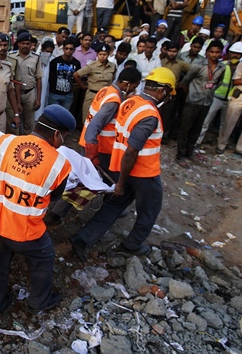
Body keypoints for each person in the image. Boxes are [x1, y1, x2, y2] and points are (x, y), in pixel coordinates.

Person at [0, 105, 74, 319]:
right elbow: (52, 199)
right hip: (25, 231)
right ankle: (39, 301)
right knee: (44, 257)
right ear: (57, 134)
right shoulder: (60, 165)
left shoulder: (4, 142)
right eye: (64, 136)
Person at [70, 67, 176, 259]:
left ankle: (83, 239)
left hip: (121, 168)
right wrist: (121, 182)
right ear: (162, 91)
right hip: (143, 174)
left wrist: (121, 179)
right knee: (150, 209)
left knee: (113, 205)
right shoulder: (150, 114)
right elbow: (132, 150)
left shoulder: (131, 102)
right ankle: (132, 244)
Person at [79, 68, 142, 181]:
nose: (134, 90)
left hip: (87, 140)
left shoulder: (106, 90)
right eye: (133, 87)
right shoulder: (113, 100)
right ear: (126, 84)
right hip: (99, 147)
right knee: (101, 180)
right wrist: (92, 153)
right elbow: (95, 126)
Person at [175, 40, 225, 166]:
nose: (214, 55)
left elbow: (217, 83)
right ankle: (180, 155)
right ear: (207, 52)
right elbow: (185, 81)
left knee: (197, 129)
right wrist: (190, 94)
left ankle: (189, 152)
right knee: (185, 129)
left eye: (217, 52)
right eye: (212, 52)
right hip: (192, 101)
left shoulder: (222, 68)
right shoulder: (198, 66)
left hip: (207, 102)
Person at [196, 41, 242, 146]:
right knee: (205, 121)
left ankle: (221, 145)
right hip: (216, 97)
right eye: (233, 53)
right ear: (229, 53)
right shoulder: (222, 65)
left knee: (226, 124)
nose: (235, 56)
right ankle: (197, 141)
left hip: (232, 99)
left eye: (238, 54)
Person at [9, 33, 43, 135]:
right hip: (14, 94)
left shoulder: (36, 58)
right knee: (15, 120)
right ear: (18, 44)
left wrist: (38, 99)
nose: (25, 46)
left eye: (27, 43)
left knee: (29, 123)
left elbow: (38, 79)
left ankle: (27, 141)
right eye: (22, 43)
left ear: (31, 44)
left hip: (29, 93)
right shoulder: (11, 56)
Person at [74, 44, 115, 121]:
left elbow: (112, 78)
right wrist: (83, 86)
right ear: (97, 54)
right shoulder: (92, 66)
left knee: (100, 119)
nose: (102, 56)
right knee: (87, 118)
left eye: (104, 54)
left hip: (105, 96)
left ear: (108, 54)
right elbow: (76, 75)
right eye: (100, 54)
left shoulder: (112, 66)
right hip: (92, 94)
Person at [48, 38, 81, 111]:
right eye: (66, 48)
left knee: (64, 115)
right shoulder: (55, 61)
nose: (68, 51)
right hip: (54, 94)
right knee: (53, 114)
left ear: (74, 50)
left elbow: (77, 77)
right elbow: (50, 76)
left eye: (71, 49)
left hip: (68, 95)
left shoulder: (76, 63)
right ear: (63, 49)